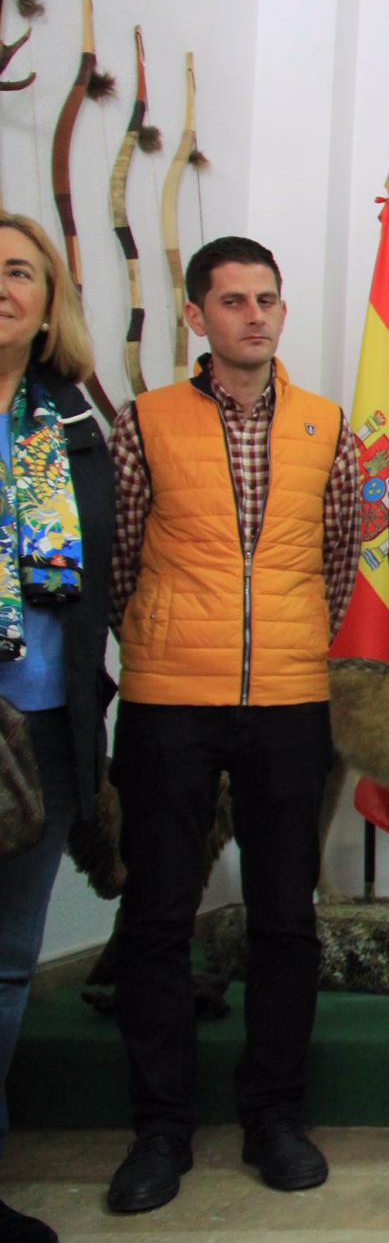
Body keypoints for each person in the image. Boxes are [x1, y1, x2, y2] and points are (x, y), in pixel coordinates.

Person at [107, 236, 361, 1214]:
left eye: (267, 299)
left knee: (285, 918)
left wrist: (287, 642)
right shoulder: (146, 421)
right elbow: (121, 558)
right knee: (158, 916)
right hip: (169, 699)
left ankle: (274, 1116)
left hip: (290, 701)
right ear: (196, 316)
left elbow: (338, 559)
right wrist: (167, 638)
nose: (255, 316)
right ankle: (160, 1129)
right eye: (234, 301)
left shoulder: (325, 424)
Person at [0, 214, 112, 1243]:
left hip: (39, 722)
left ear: (48, 305)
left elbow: (104, 574)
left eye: (19, 272)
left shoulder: (66, 421)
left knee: (6, 963)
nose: (2, 286)